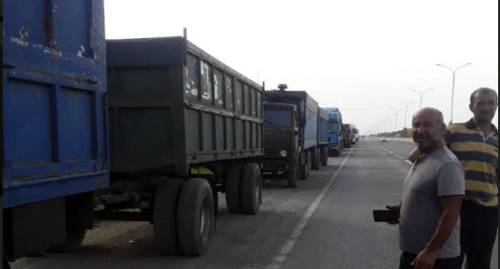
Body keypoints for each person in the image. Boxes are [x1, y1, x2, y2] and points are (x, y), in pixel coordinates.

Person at [408, 87, 498, 269]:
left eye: (491, 103)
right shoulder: (454, 131)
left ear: (496, 106)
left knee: (481, 262)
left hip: (487, 212)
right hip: (456, 209)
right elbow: (419, 156)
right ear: (471, 106)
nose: (486, 107)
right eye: (481, 103)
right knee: (450, 260)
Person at [388, 107, 465, 269]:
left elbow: (451, 212)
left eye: (428, 125)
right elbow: (424, 193)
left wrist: (431, 251)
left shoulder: (447, 164)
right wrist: (402, 209)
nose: (420, 130)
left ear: (442, 129)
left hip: (436, 259)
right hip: (414, 253)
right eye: (416, 125)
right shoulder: (423, 158)